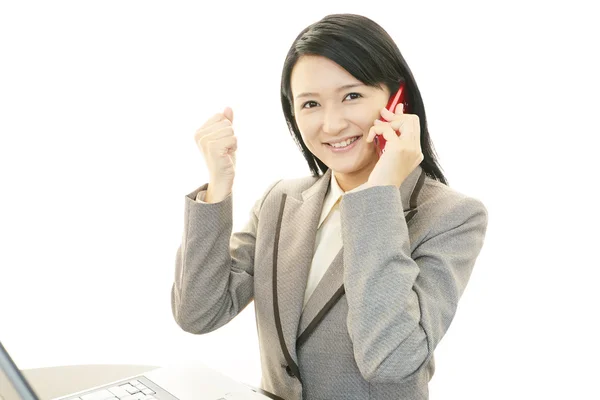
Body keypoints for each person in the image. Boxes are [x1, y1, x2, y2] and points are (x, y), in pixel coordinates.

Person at [171, 13, 488, 400]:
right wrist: (218, 186)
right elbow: (198, 313)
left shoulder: (451, 217)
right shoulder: (280, 202)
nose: (332, 124)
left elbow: (390, 359)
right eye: (310, 104)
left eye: (352, 96)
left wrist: (379, 193)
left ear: (396, 100)